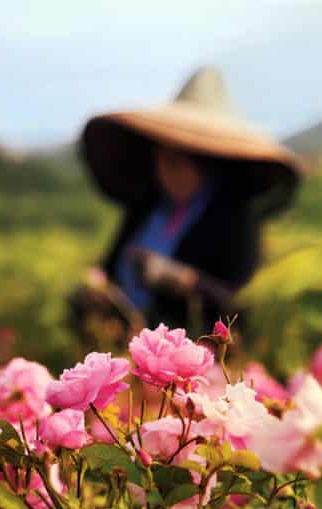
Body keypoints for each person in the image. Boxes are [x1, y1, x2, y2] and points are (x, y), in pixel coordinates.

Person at [76, 66, 301, 336]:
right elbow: (109, 270)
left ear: (205, 161)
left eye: (178, 161)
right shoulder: (146, 207)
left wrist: (181, 280)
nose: (168, 171)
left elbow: (238, 307)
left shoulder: (233, 219)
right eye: (163, 158)